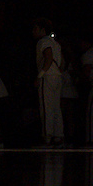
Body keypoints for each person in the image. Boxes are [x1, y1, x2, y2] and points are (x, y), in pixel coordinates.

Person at [33, 18, 64, 147]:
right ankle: (58, 135)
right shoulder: (55, 43)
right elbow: (62, 62)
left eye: (36, 28)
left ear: (42, 30)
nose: (33, 31)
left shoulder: (43, 41)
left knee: (46, 107)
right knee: (56, 107)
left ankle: (47, 137)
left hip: (47, 76)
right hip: (57, 76)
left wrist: (40, 75)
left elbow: (48, 57)